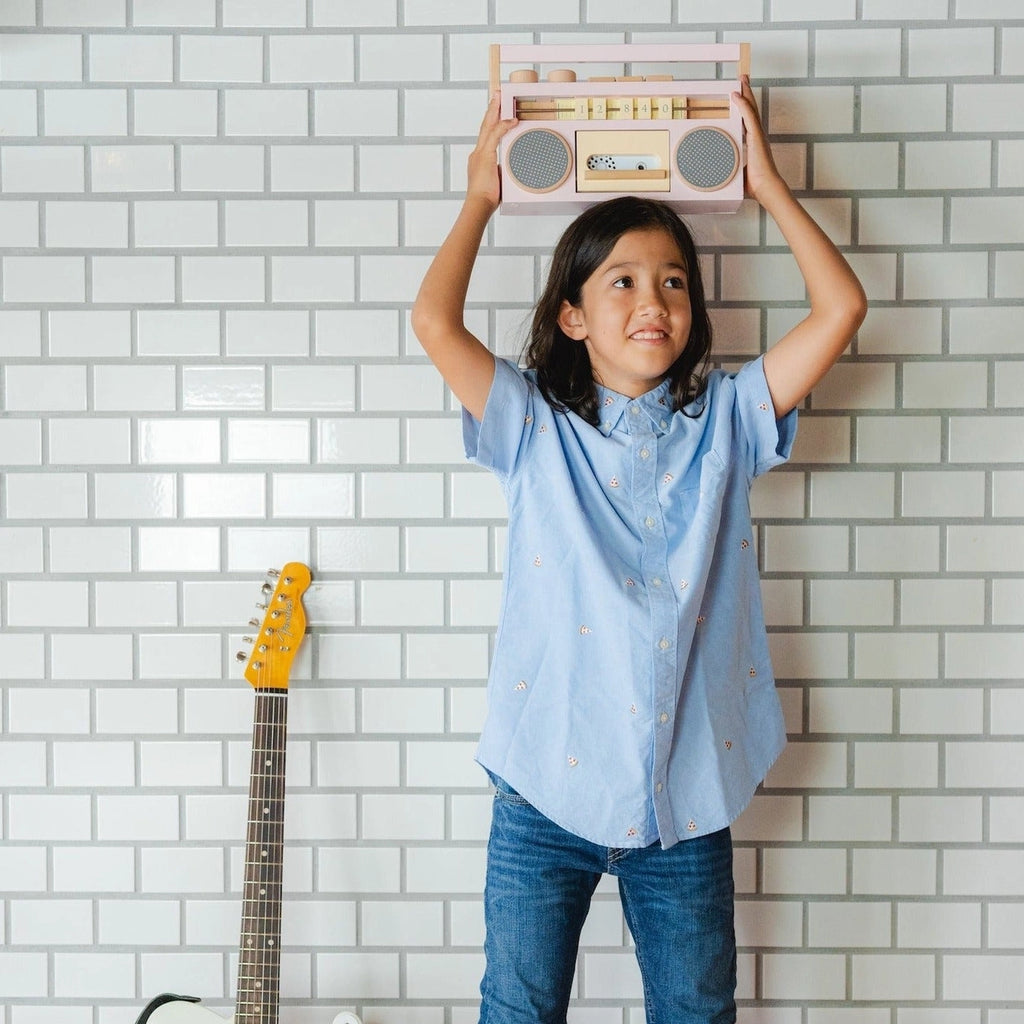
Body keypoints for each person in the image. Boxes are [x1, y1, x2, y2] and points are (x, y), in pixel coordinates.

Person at [411, 78, 866, 1024]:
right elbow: (433, 326)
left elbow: (840, 309)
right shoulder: (532, 428)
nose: (653, 299)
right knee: (516, 1012)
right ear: (572, 314)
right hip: (544, 798)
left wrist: (771, 184)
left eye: (672, 281)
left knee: (699, 1016)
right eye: (621, 280)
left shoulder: (729, 424)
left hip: (686, 798)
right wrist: (479, 199)